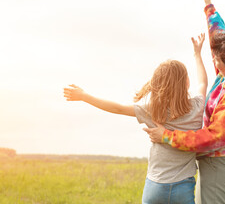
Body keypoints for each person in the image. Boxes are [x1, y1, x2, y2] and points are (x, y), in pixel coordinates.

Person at [143, 0, 225, 204]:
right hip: (214, 166)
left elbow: (211, 138)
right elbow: (219, 36)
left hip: (220, 168)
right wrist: (208, 2)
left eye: (218, 59)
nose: (214, 60)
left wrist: (167, 136)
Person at [63, 33, 208, 204]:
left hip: (155, 187)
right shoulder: (198, 107)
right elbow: (203, 83)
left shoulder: (154, 111)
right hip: (183, 187)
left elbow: (117, 108)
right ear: (186, 83)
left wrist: (85, 96)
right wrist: (197, 54)